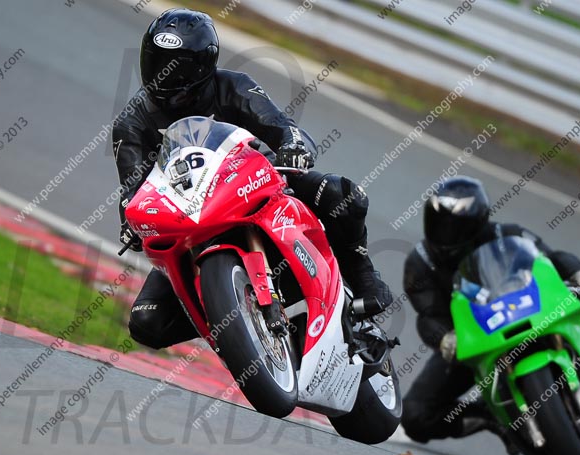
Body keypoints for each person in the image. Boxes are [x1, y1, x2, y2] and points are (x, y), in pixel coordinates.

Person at [112, 8, 393, 349]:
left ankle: (362, 274)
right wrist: (132, 222)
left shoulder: (234, 86)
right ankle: (235, 324)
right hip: (190, 218)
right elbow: (133, 191)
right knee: (147, 322)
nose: (162, 75)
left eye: (175, 67)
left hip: (258, 184)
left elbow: (282, 127)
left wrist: (292, 146)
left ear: (201, 66)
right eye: (156, 62)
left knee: (342, 195)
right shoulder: (131, 123)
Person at [401, 176, 580, 447]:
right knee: (415, 415)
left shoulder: (508, 234)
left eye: (455, 227)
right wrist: (444, 337)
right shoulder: (419, 264)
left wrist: (578, 271)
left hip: (534, 314)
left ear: (478, 222)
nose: (445, 234)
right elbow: (428, 316)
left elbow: (551, 259)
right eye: (439, 223)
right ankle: (490, 417)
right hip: (474, 342)